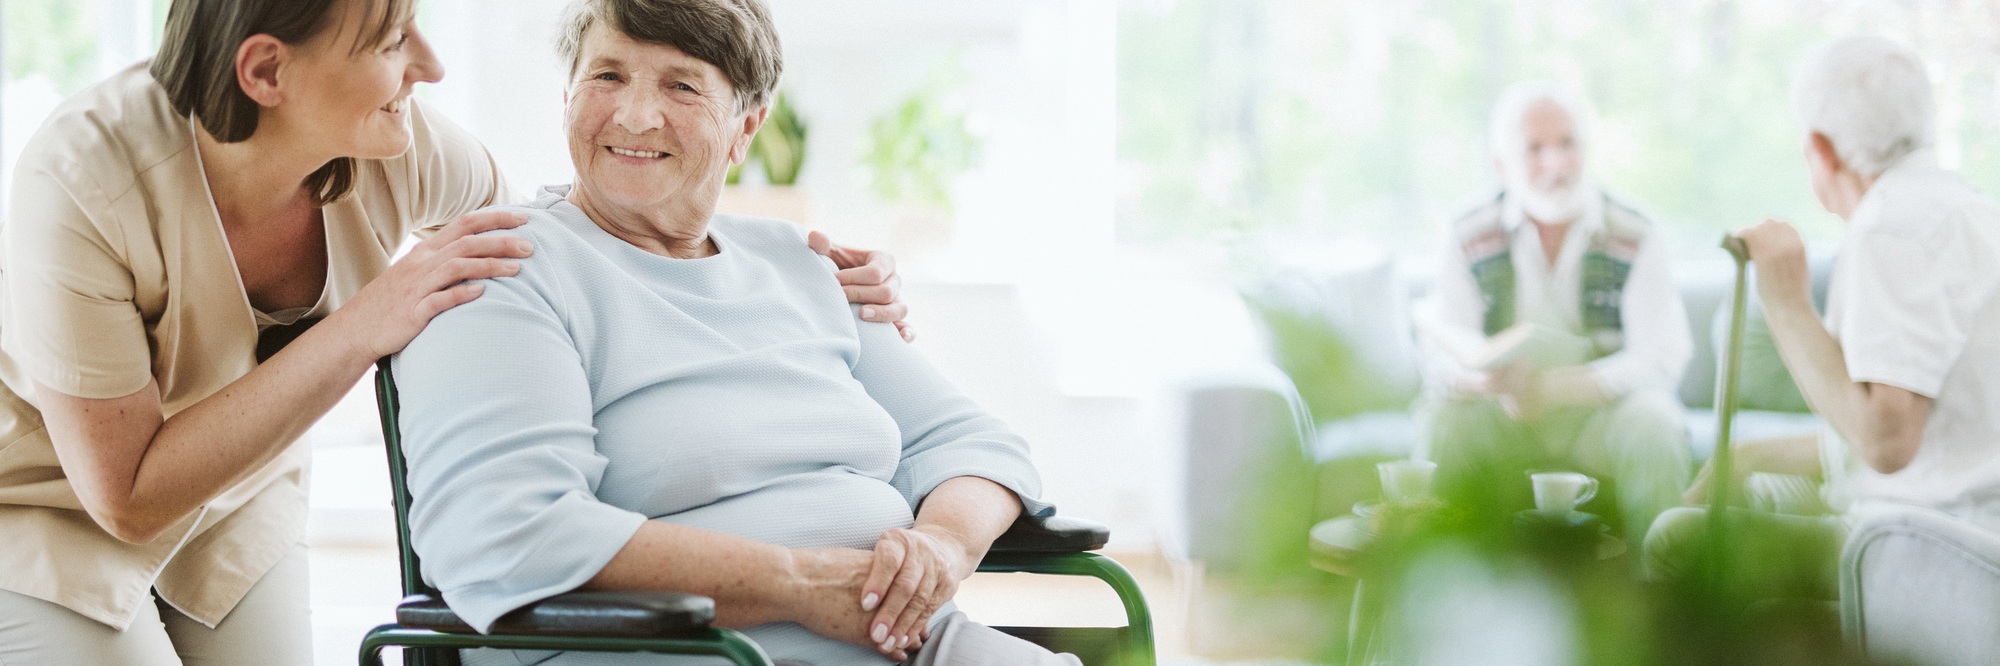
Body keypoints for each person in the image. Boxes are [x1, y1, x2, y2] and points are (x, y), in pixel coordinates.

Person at [0, 0, 907, 663]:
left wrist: (787, 293)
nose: (429, 67)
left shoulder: (410, 148)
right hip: (48, 506)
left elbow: (560, 266)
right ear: (267, 72)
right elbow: (124, 495)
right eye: (393, 39)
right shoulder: (82, 185)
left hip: (236, 495)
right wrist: (367, 322)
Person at [390, 1, 1082, 664]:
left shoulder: (798, 265)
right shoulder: (506, 269)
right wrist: (804, 586)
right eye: (606, 76)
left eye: (681, 85)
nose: (634, 114)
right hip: (679, 652)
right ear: (566, 97)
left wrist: (940, 549)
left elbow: (974, 443)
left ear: (745, 127)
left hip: (907, 640)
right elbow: (507, 533)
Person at [1644, 35, 2000, 599]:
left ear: (1821, 149)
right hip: (1968, 526)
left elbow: (1886, 443)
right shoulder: (1970, 210)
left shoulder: (1891, 224)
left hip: (1925, 547)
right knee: (1745, 485)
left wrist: (1786, 300)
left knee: (1675, 537)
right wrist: (1746, 456)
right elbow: (1935, 440)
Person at [1416, 81, 1694, 545]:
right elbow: (1442, 347)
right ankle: (1446, 591)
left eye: (1568, 144)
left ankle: (1663, 589)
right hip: (1502, 412)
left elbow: (1662, 355)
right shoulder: (1465, 231)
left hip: (1601, 416)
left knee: (1656, 422)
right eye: (1535, 149)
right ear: (1502, 166)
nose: (1556, 164)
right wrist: (1481, 380)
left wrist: (1565, 388)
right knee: (1444, 421)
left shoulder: (1637, 231)